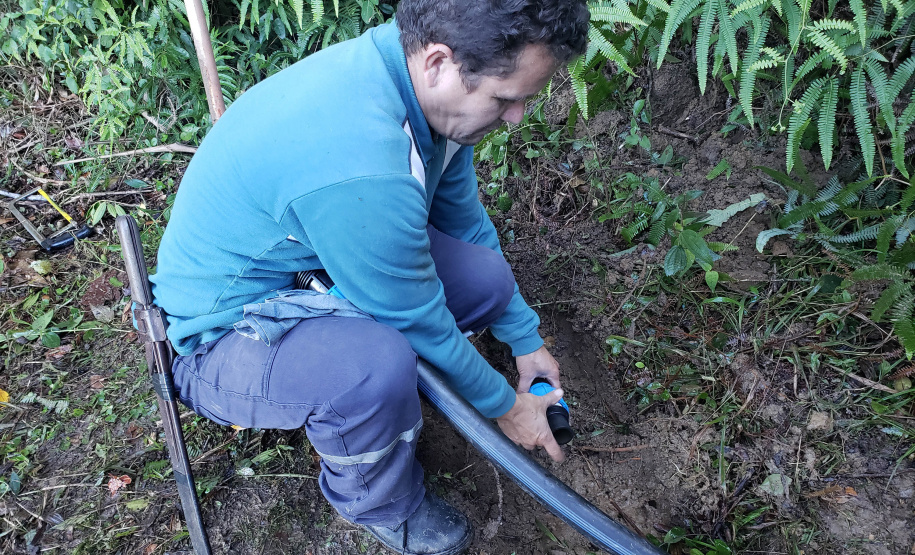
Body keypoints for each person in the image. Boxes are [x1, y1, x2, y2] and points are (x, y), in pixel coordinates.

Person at [150, 0, 589, 553]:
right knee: (372, 368)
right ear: (438, 62)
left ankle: (382, 385)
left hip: (315, 264)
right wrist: (507, 409)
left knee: (485, 279)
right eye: (507, 98)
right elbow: (419, 319)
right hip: (223, 334)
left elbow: (463, 220)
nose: (517, 116)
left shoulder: (424, 88)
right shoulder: (362, 156)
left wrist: (526, 338)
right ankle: (377, 500)